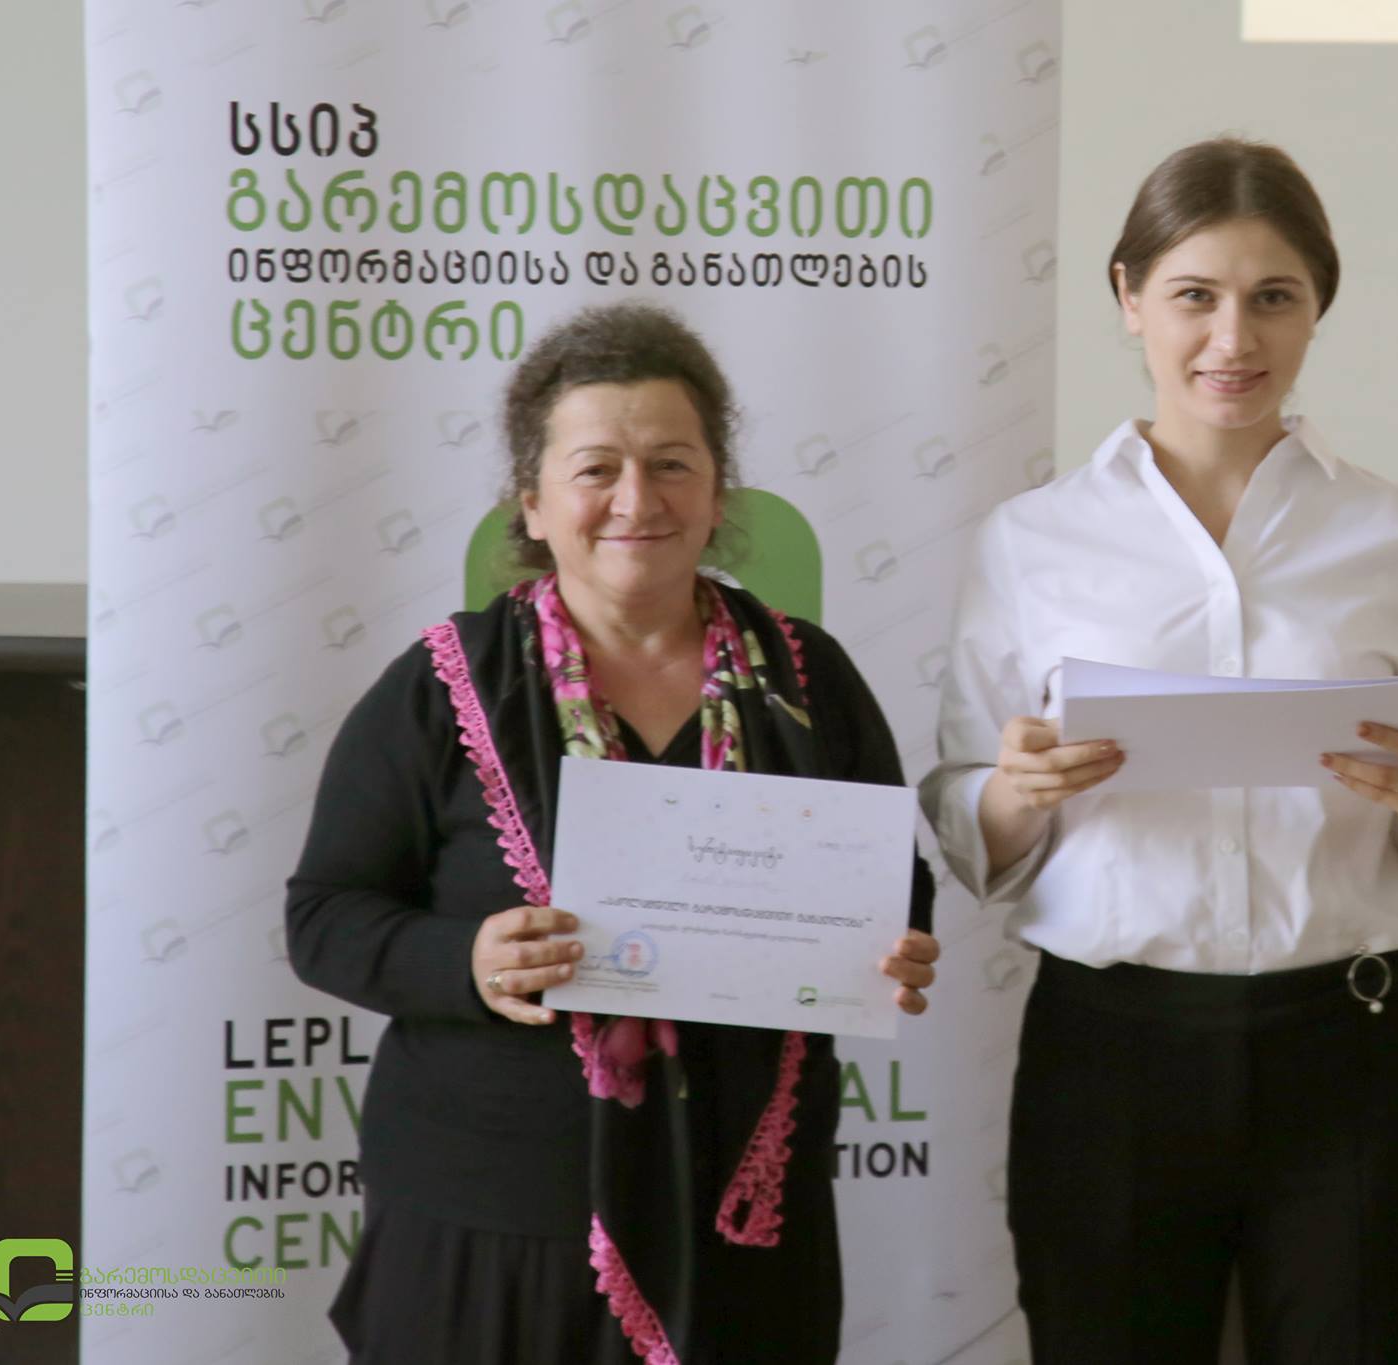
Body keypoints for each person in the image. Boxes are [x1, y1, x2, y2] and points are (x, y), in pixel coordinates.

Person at [920, 137, 1398, 1363]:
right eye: (1193, 295)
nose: (1231, 338)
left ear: (1315, 309)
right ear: (1127, 296)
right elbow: (965, 806)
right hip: (1111, 1055)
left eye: (1272, 297)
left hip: (1352, 1049)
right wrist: (1016, 793)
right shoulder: (1030, 541)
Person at [286, 301, 940, 1365]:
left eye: (672, 464)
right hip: (492, 1212)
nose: (637, 499)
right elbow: (324, 916)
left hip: (741, 1216)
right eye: (596, 469)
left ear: (717, 493)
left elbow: (890, 884)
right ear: (533, 503)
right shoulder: (444, 686)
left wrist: (892, 948)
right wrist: (468, 960)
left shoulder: (805, 677)